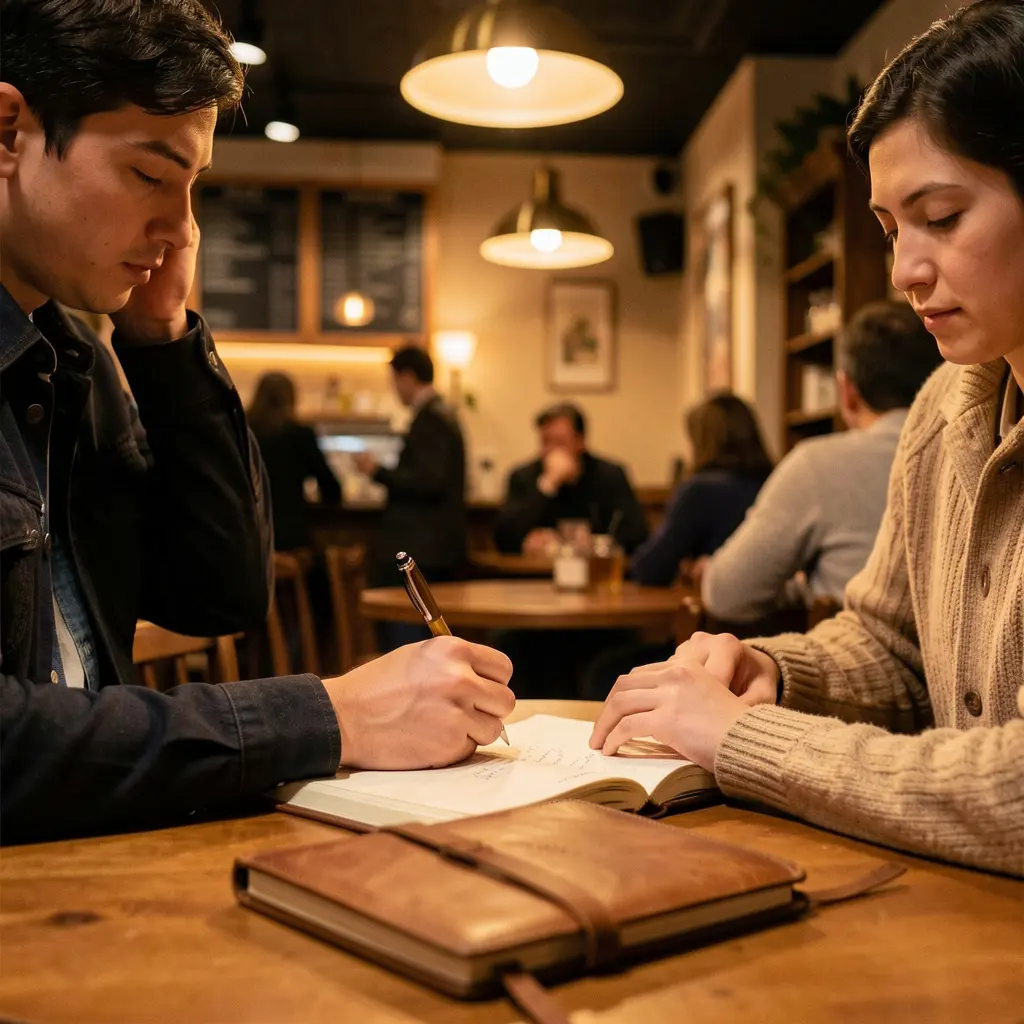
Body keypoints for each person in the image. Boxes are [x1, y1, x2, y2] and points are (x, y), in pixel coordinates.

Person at [0, 0, 513, 844]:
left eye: (192, 187)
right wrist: (327, 715)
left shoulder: (75, 369)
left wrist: (163, 344)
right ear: (10, 130)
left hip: (102, 864)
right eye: (148, 175)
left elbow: (221, 591)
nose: (183, 231)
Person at [591, 0, 1024, 877]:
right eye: (890, 229)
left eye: (940, 217)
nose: (904, 271)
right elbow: (893, 648)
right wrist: (775, 671)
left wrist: (750, 738)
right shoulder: (945, 411)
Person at [701, 302, 943, 619]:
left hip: (856, 661)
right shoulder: (980, 448)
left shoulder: (817, 464)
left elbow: (726, 594)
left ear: (846, 390)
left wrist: (807, 589)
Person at [354, 346, 467, 648]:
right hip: (435, 547)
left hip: (424, 550)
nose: (394, 389)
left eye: (394, 380)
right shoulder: (441, 415)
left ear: (406, 376)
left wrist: (377, 472)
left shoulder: (431, 419)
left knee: (412, 639)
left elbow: (429, 481)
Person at [631, 393, 773, 587]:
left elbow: (649, 569)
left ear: (701, 442)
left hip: (722, 611)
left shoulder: (699, 491)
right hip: (785, 612)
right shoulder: (775, 483)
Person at [493, 403, 648, 555]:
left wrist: (593, 542)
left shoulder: (609, 475)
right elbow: (503, 538)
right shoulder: (523, 477)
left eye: (560, 442)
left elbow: (638, 534)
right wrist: (547, 484)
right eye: (546, 442)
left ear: (580, 442)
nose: (552, 450)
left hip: (594, 571)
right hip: (537, 573)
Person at [247, 372, 342, 552]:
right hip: (291, 537)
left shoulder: (245, 433)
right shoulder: (301, 435)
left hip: (250, 534)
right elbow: (332, 490)